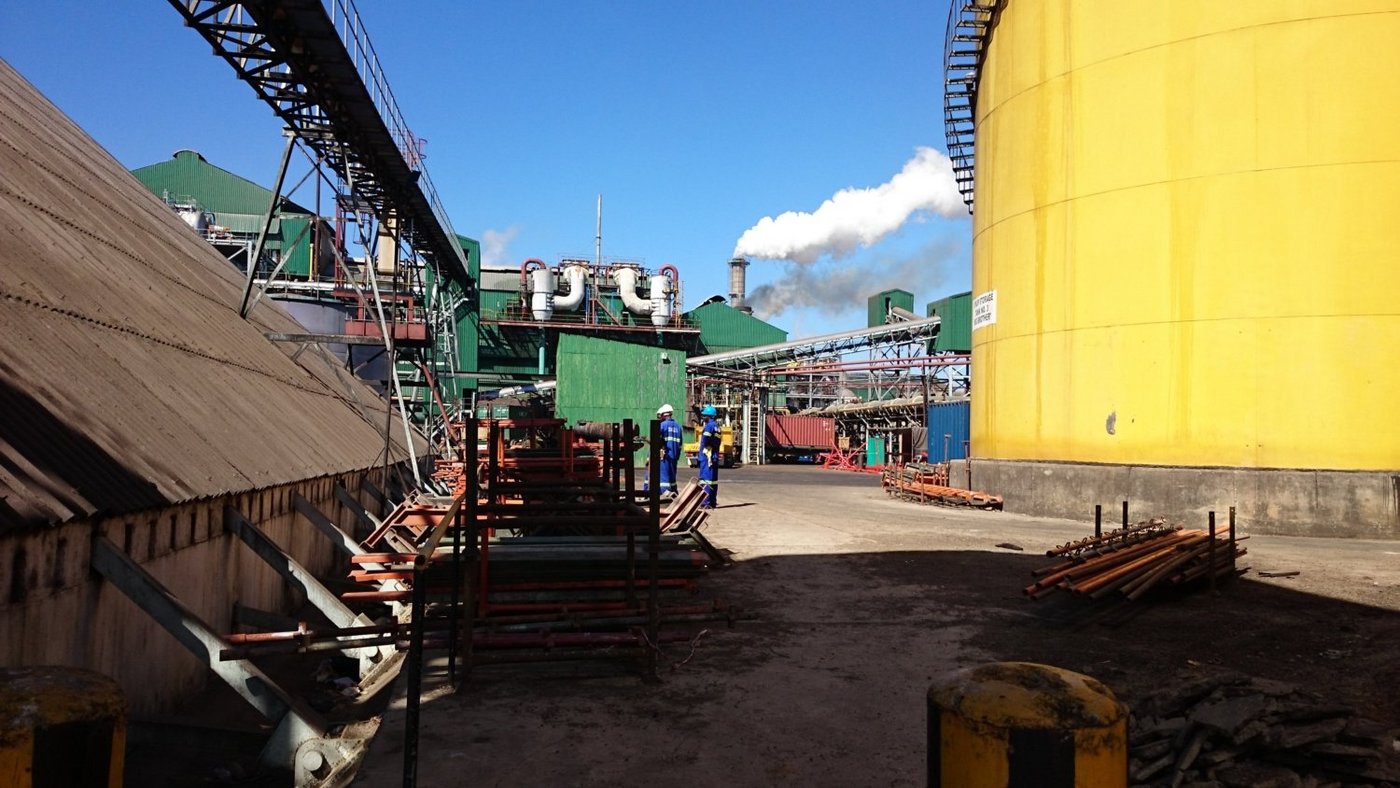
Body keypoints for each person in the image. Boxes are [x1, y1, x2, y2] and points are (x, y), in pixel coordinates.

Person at [697, 404, 721, 509]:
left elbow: (706, 439)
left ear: (709, 416)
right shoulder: (717, 426)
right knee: (713, 480)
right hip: (714, 455)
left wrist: (706, 447)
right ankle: (712, 501)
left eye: (704, 415)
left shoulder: (709, 426)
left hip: (707, 455)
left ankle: (705, 502)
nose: (703, 417)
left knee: (705, 479)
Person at [657, 403, 682, 500]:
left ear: (663, 414)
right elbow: (680, 444)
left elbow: (657, 440)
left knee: (664, 476)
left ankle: (666, 495)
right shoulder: (678, 427)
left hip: (665, 455)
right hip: (674, 455)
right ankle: (674, 492)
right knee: (672, 477)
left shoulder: (662, 425)